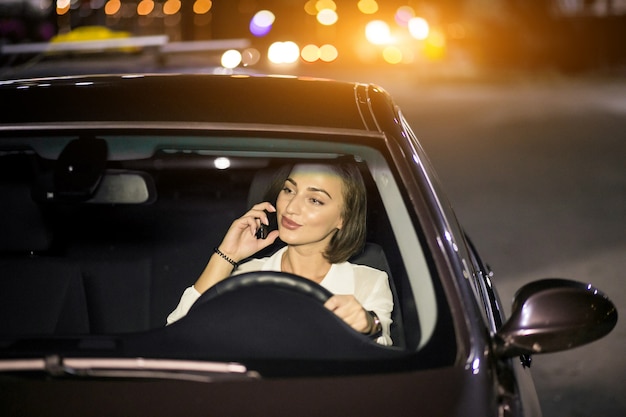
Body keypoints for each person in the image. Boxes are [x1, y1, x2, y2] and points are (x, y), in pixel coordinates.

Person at [167, 162, 393, 345]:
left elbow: (381, 356)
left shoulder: (369, 282)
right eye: (288, 190)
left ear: (343, 218)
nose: (291, 207)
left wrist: (369, 326)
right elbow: (175, 336)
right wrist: (227, 255)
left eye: (314, 200)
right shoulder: (243, 276)